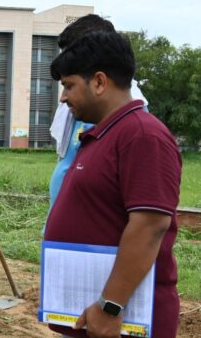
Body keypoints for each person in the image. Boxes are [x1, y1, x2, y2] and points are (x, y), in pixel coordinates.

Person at [45, 31, 181, 338]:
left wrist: (110, 306)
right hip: (86, 317)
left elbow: (150, 225)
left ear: (100, 81)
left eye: (70, 86)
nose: (64, 97)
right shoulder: (102, 135)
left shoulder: (143, 135)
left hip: (118, 325)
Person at [47, 14, 148, 212]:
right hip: (67, 233)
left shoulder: (138, 127)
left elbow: (148, 221)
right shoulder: (82, 107)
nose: (63, 97)